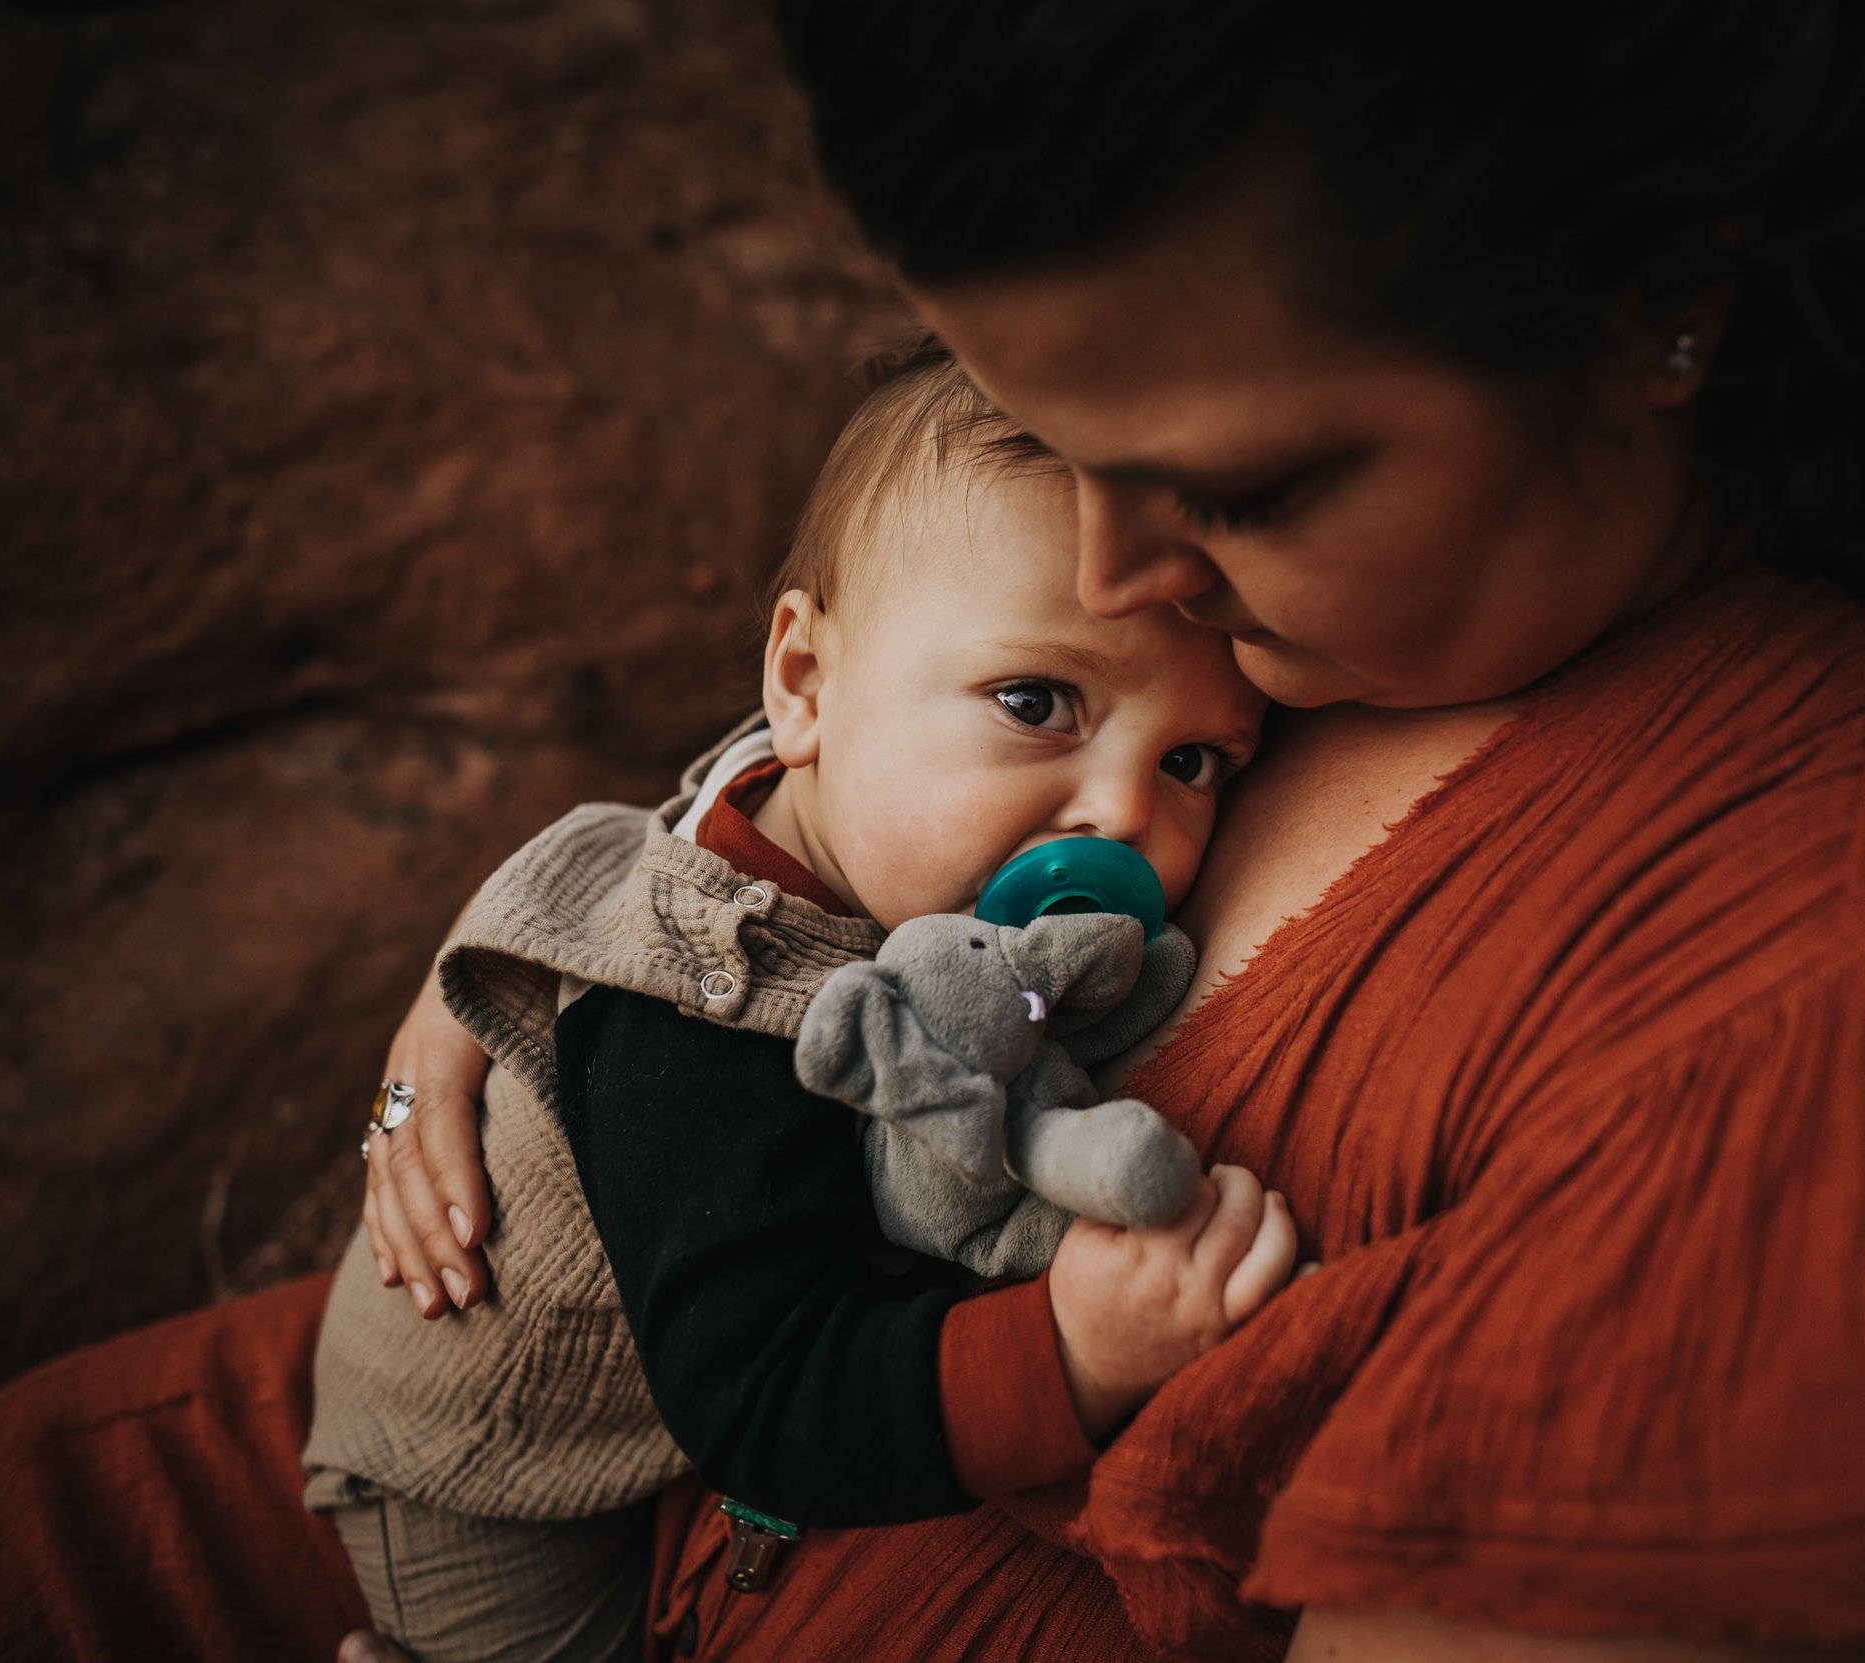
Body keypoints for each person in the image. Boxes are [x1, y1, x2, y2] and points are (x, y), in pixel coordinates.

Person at [0, 3, 1865, 1660]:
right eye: (1049, 436)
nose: (1126, 585)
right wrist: (545, 955)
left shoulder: (1864, 1036)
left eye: (1235, 479)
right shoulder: (1373, 612)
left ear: (1662, 308)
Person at [301, 340, 1288, 1663]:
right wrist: (1068, 1356)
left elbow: (518, 917)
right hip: (480, 1462)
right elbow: (762, 1394)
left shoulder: (799, 788)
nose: (1123, 816)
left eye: (1194, 760)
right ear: (805, 681)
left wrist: (421, 1049)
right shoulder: (696, 1022)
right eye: (1036, 700)